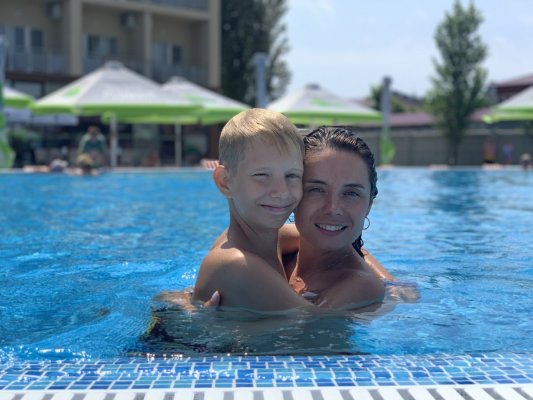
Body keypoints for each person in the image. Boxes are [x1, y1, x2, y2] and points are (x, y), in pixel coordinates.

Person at [190, 108, 313, 311]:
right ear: (225, 182)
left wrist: (375, 271)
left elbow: (330, 237)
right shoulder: (235, 264)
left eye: (292, 175)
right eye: (262, 175)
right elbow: (318, 320)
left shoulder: (267, 238)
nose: (281, 191)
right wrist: (371, 289)